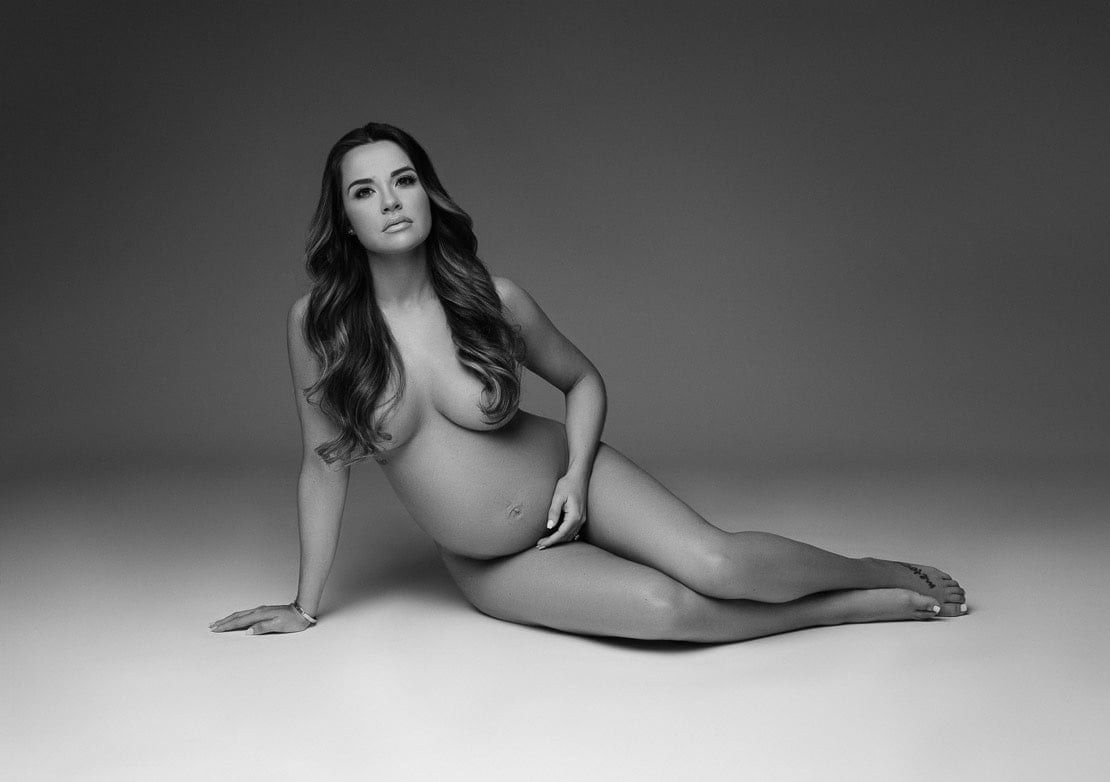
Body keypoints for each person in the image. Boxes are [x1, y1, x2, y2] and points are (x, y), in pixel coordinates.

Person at [209, 122, 967, 643]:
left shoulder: (492, 299)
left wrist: (575, 477)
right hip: (490, 561)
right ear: (344, 219)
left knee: (720, 565)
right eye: (364, 191)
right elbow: (322, 465)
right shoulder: (319, 326)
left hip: (575, 480)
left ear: (427, 195)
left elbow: (584, 381)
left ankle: (870, 569)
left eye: (403, 180)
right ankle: (842, 610)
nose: (390, 201)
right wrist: (304, 606)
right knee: (666, 611)